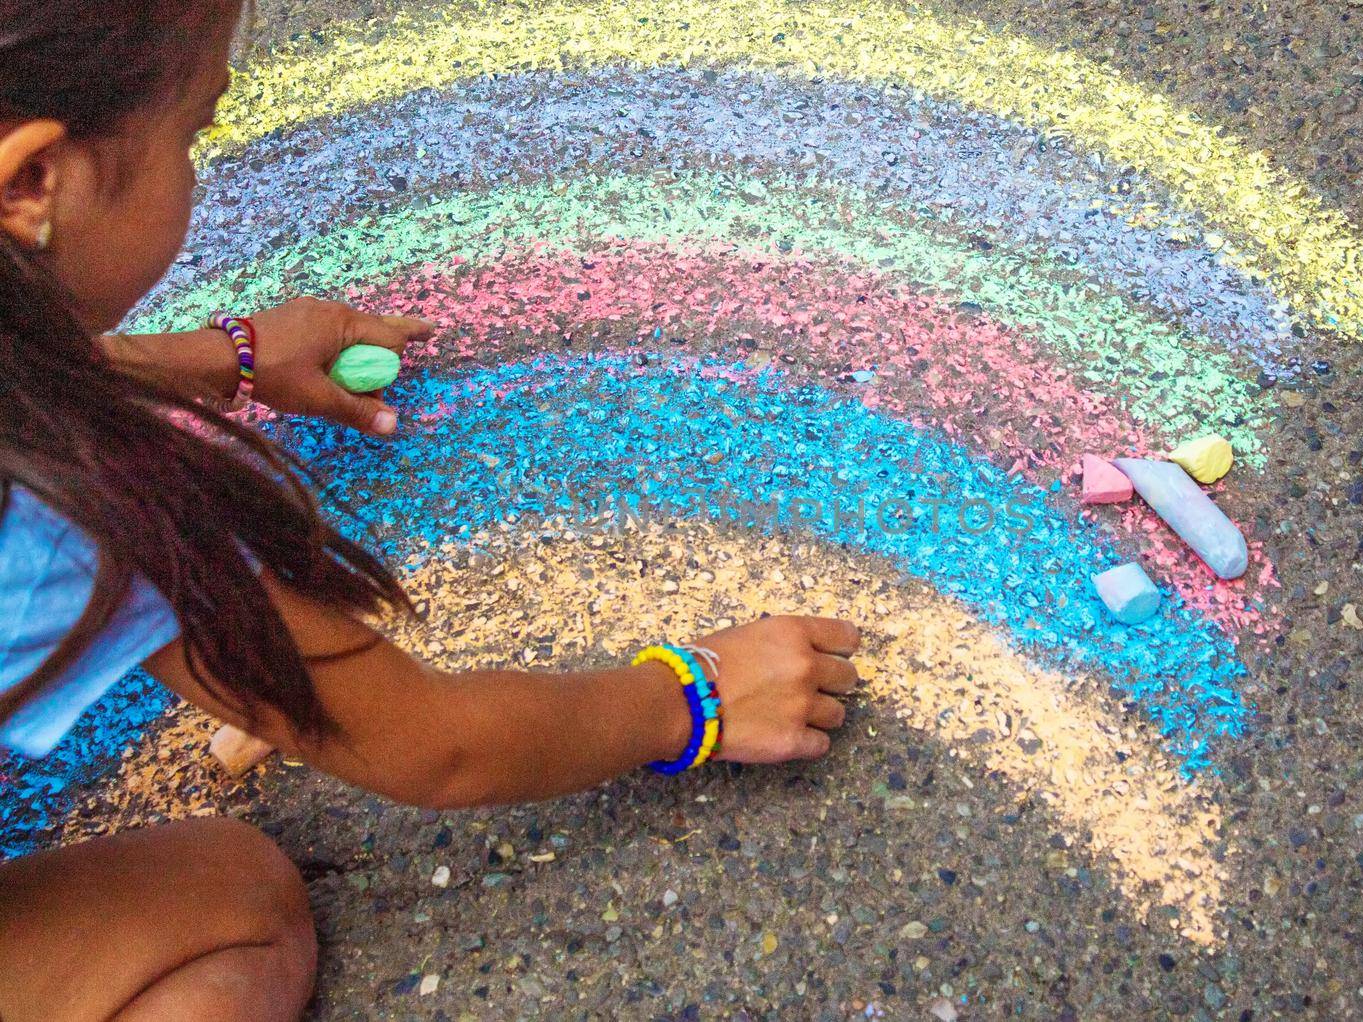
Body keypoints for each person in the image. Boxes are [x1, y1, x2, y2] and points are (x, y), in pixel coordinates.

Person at [0, 3, 860, 1018]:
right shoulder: (66, 509)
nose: (198, 159)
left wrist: (221, 355)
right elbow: (435, 744)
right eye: (194, 129)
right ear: (33, 182)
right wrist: (690, 697)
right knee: (235, 897)